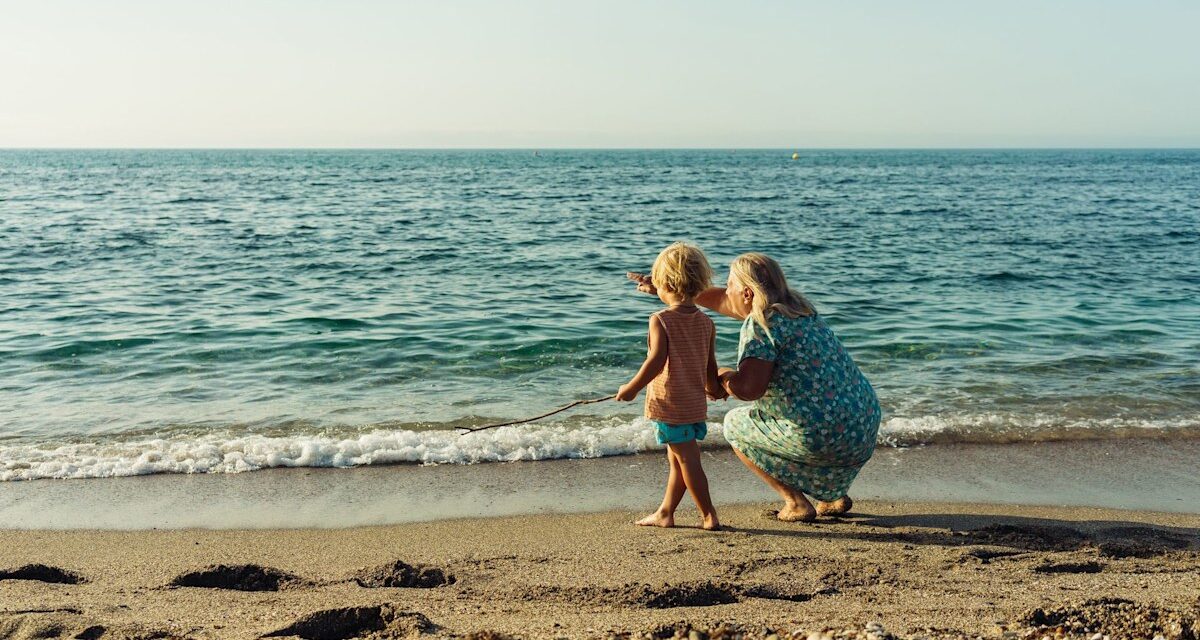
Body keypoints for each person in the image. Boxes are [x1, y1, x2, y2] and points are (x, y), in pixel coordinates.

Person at [629, 252, 880, 523]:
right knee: (814, 416)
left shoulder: (761, 324)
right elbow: (726, 302)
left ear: (747, 293)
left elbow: (749, 390)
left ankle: (796, 503)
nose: (726, 292)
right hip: (863, 426)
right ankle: (832, 495)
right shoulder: (802, 311)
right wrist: (674, 290)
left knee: (735, 424)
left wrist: (723, 377)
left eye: (730, 285)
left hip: (824, 436)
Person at [616, 242, 725, 531]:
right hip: (693, 403)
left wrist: (632, 388)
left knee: (687, 460)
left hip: (670, 404)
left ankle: (709, 515)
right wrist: (713, 388)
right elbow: (710, 364)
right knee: (678, 460)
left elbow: (655, 361)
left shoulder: (660, 320)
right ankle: (666, 512)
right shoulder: (706, 322)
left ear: (664, 284)